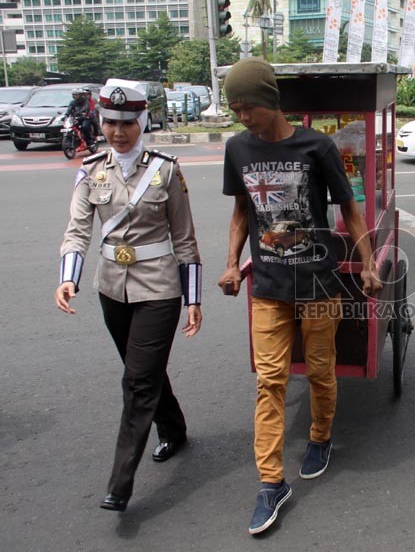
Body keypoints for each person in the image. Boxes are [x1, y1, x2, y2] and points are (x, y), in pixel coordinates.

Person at [217, 58, 382, 536]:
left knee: (320, 370)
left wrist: (369, 264)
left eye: (248, 107)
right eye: (235, 108)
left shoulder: (318, 146)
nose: (242, 116)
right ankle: (271, 482)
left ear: (271, 101)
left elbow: (349, 207)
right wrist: (231, 262)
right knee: (269, 382)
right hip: (268, 288)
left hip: (318, 283)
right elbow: (241, 213)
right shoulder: (238, 149)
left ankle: (321, 435)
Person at [54, 84, 203, 513]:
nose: (118, 132)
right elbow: (78, 229)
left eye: (127, 124)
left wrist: (193, 299)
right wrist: (69, 277)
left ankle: (120, 483)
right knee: (144, 370)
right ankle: (173, 428)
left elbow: (185, 239)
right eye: (110, 123)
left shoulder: (166, 171)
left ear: (141, 123)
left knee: (137, 381)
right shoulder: (91, 169)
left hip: (158, 288)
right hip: (110, 288)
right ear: (101, 122)